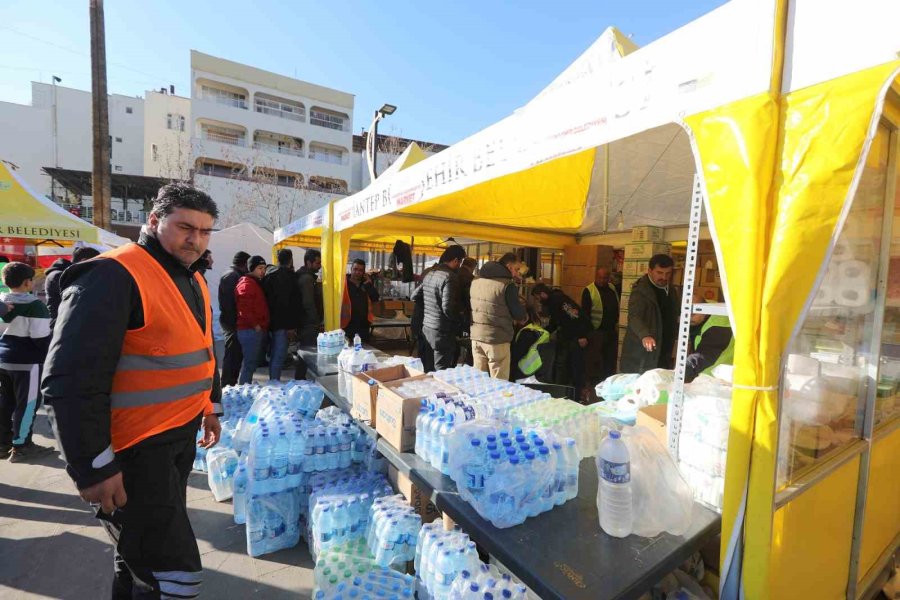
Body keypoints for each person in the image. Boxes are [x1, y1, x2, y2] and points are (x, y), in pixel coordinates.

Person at [42, 182, 222, 599]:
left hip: (175, 439)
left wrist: (209, 406)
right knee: (175, 573)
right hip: (133, 450)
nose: (195, 239)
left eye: (205, 230)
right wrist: (92, 466)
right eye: (185, 227)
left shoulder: (191, 277)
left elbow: (200, 348)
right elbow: (69, 380)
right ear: (154, 221)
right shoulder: (113, 274)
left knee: (138, 556)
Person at [0, 262, 53, 462]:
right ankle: (21, 446)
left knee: (5, 402)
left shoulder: (2, 301)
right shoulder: (35, 305)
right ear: (27, 283)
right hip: (26, 362)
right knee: (28, 404)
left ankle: (3, 443)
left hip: (3, 360)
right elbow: (40, 338)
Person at [469, 252, 526, 379]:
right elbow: (518, 314)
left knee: (478, 380)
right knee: (499, 382)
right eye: (516, 269)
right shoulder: (507, 285)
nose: (517, 274)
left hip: (477, 336)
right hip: (498, 339)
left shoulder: (476, 281)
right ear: (508, 266)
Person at [620, 254, 680, 373]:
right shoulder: (640, 291)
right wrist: (645, 335)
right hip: (643, 350)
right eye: (659, 273)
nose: (664, 277)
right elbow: (634, 317)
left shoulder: (672, 290)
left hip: (664, 347)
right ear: (649, 271)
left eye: (668, 273)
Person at [531, 283, 590, 400]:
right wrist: (543, 332)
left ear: (542, 294)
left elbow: (575, 316)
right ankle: (564, 394)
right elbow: (555, 322)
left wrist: (582, 335)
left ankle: (577, 395)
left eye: (538, 298)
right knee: (564, 366)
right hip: (567, 338)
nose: (539, 301)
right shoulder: (555, 301)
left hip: (574, 338)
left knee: (574, 366)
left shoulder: (558, 300)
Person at [421, 246, 467, 371]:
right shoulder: (450, 277)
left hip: (427, 326)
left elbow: (415, 296)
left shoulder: (430, 273)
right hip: (442, 331)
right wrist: (459, 320)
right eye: (461, 262)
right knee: (441, 370)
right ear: (456, 260)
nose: (460, 266)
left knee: (429, 367)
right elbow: (448, 308)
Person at [581, 267, 620, 392]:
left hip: (610, 330)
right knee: (595, 360)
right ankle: (593, 385)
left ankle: (607, 382)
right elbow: (585, 313)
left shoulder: (612, 289)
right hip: (596, 331)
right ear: (596, 277)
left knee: (609, 359)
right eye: (600, 278)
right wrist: (587, 332)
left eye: (605, 278)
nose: (603, 280)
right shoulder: (589, 290)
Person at [263, 249, 298, 382]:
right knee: (279, 355)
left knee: (274, 355)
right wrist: (291, 327)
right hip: (282, 324)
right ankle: (274, 384)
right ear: (290, 260)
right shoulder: (289, 277)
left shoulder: (269, 275)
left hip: (269, 323)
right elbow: (289, 305)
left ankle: (273, 381)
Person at [45, 247, 101, 330]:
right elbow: (79, 298)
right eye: (94, 264)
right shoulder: (59, 275)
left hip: (65, 323)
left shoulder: (69, 274)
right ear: (84, 261)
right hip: (60, 325)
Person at [235, 255, 270, 384]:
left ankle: (245, 387)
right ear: (251, 269)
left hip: (252, 330)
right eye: (260, 268)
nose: (263, 271)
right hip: (249, 330)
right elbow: (243, 309)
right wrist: (256, 325)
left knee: (250, 364)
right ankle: (243, 389)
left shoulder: (253, 282)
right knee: (249, 365)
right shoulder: (246, 284)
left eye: (264, 268)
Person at [219, 251, 250, 387]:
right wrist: (236, 322)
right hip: (232, 324)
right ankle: (227, 385)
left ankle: (230, 383)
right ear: (244, 264)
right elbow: (228, 304)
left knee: (235, 356)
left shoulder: (233, 275)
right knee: (232, 356)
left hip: (233, 322)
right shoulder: (232, 276)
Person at [686, 312, 734, 382]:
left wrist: (681, 371)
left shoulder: (719, 321)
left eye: (692, 314)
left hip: (717, 381)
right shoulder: (708, 320)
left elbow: (705, 354)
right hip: (713, 380)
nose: (689, 318)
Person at [341, 258, 379, 344]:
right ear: (351, 269)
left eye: (360, 270)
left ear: (363, 272)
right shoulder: (344, 283)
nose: (357, 272)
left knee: (364, 349)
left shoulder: (366, 284)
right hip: (347, 323)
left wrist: (369, 285)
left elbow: (375, 298)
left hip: (363, 323)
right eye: (355, 269)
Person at [510, 306, 552, 382]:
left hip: (523, 373)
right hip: (538, 371)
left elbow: (515, 355)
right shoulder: (538, 330)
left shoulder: (527, 333)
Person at [410, 265, 436, 372]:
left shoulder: (422, 288)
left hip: (420, 322)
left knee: (423, 350)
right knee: (426, 352)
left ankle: (424, 370)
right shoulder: (425, 289)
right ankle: (426, 371)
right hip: (423, 323)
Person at [297, 249, 323, 347]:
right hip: (308, 325)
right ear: (308, 262)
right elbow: (308, 303)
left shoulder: (306, 277)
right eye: (317, 263)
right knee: (310, 352)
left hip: (306, 323)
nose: (320, 266)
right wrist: (316, 322)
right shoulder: (306, 279)